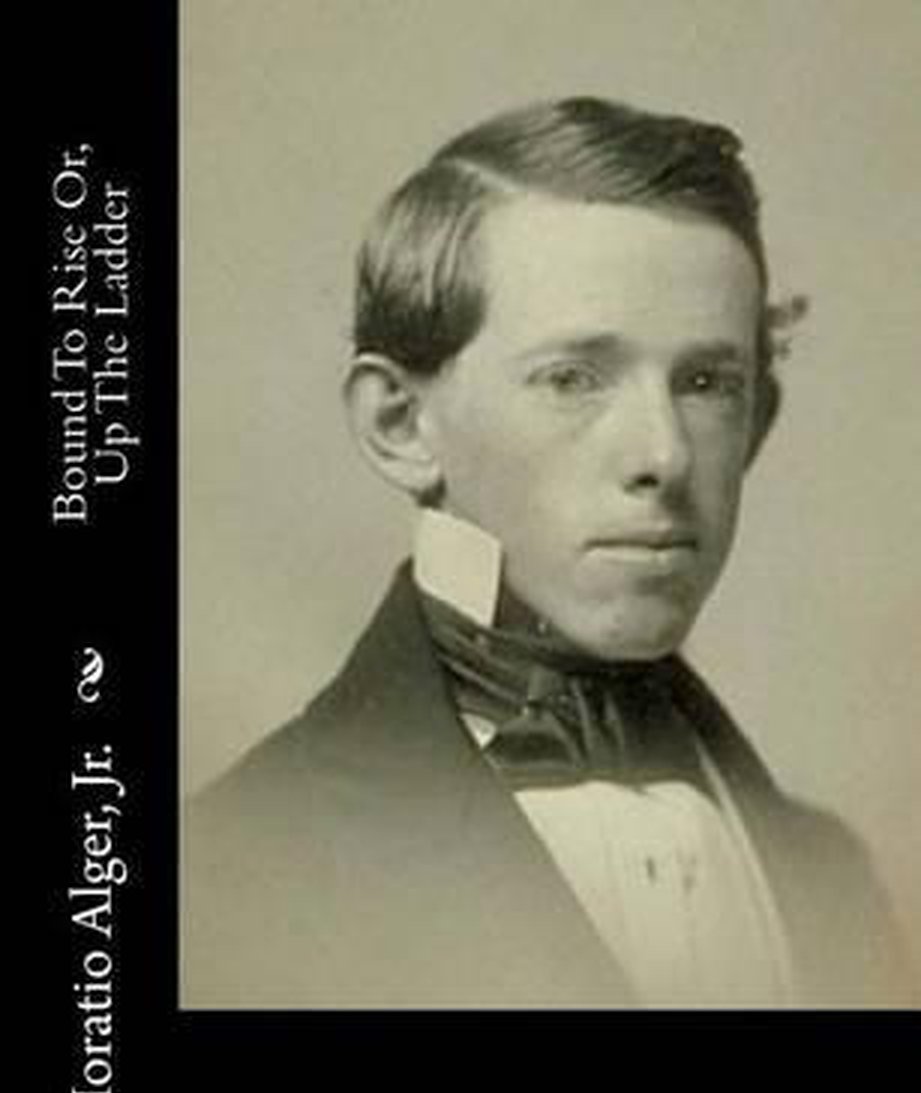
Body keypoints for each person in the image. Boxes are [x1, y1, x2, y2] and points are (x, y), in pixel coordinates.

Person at [182, 96, 911, 1009]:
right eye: (571, 378)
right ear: (399, 425)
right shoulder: (223, 878)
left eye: (704, 383)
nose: (663, 456)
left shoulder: (835, 881)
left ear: (758, 421)